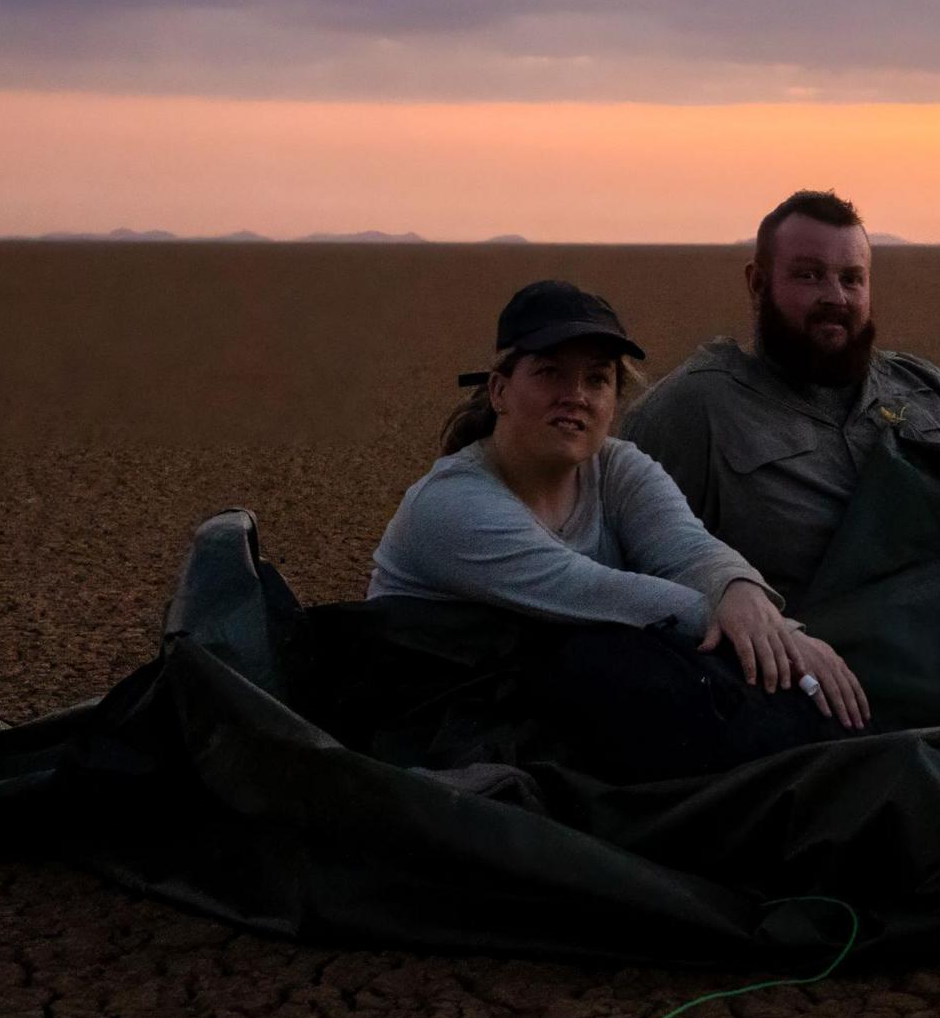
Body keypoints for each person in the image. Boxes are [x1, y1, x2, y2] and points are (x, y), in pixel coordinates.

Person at [369, 279, 870, 778]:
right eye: (550, 373)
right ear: (500, 390)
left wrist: (739, 591)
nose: (576, 397)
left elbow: (687, 549)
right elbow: (596, 592)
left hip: (544, 707)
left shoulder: (617, 468)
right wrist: (777, 633)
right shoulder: (451, 506)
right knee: (629, 664)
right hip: (442, 728)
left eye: (597, 379)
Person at [620, 190, 940, 609]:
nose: (835, 296)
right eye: (809, 276)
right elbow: (642, 571)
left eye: (851, 278)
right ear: (758, 283)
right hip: (808, 664)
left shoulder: (929, 391)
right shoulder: (697, 410)